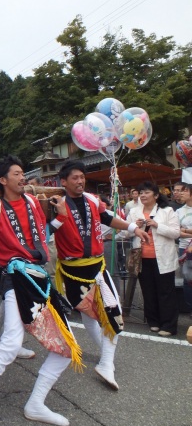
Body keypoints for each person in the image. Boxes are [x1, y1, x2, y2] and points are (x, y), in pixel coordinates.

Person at [0, 155, 82, 426]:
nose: (22, 177)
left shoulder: (31, 201)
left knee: (66, 347)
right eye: (16, 173)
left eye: (22, 172)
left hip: (39, 277)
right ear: (2, 180)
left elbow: (41, 235)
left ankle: (36, 403)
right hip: (13, 278)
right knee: (11, 342)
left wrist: (62, 215)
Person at [52, 161, 149, 390]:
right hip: (72, 270)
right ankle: (106, 357)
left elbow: (107, 218)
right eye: (74, 178)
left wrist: (133, 228)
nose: (80, 181)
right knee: (88, 314)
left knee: (112, 313)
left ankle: (107, 362)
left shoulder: (93, 199)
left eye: (82, 177)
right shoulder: (55, 203)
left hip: (97, 267)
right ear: (63, 181)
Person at [125, 181, 180, 336]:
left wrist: (157, 225)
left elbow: (176, 233)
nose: (143, 195)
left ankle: (168, 325)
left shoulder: (167, 211)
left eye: (147, 192)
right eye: (141, 192)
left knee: (165, 292)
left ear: (156, 195)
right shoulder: (134, 212)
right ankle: (154, 321)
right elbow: (125, 233)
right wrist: (133, 227)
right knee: (148, 291)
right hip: (142, 258)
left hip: (163, 258)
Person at [176, 184, 192, 313]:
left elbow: (181, 230)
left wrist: (185, 230)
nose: (181, 193)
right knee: (188, 280)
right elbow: (176, 231)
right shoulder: (179, 211)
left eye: (184, 191)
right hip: (185, 249)